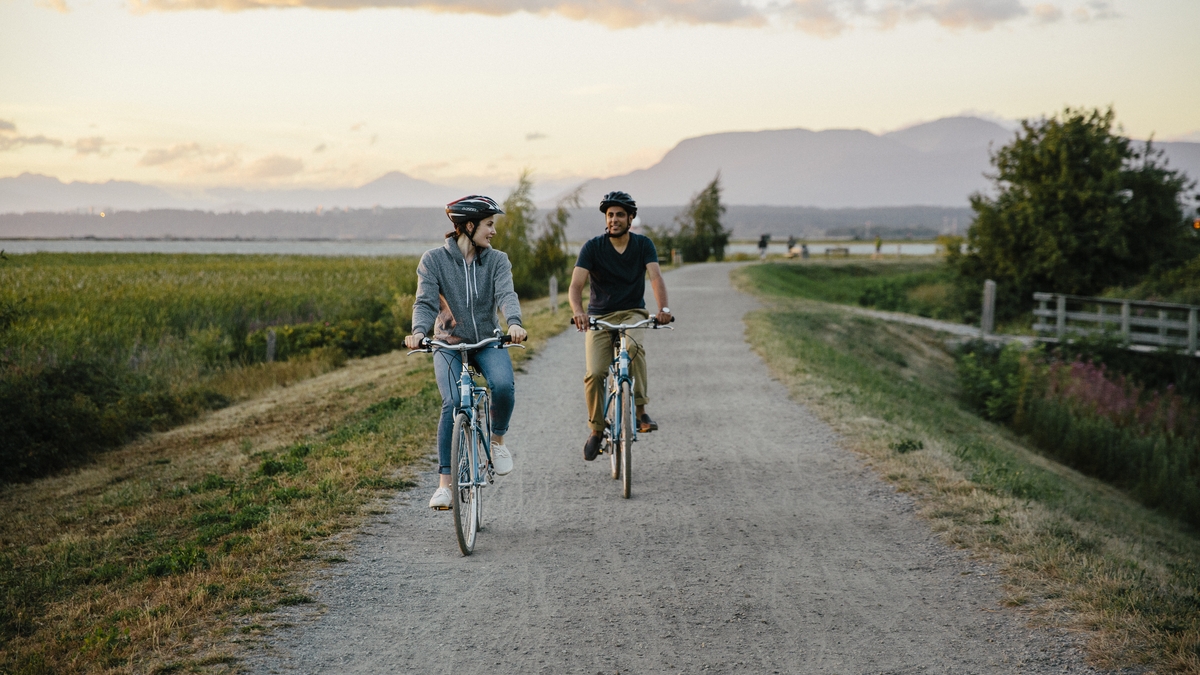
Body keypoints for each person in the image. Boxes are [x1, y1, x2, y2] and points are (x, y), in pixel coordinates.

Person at [404, 195, 527, 510]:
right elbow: (425, 302)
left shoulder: (497, 260)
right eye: (489, 224)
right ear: (468, 226)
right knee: (453, 402)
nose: (493, 232)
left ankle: (497, 442)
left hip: (486, 340)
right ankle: (445, 484)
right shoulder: (433, 261)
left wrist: (514, 323)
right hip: (447, 344)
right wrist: (418, 332)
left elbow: (506, 294)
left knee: (502, 385)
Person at [569, 191, 672, 462]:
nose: (614, 220)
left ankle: (640, 413)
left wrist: (663, 310)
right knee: (595, 372)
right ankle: (596, 430)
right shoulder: (592, 247)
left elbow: (656, 277)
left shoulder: (643, 245)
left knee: (633, 348)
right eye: (610, 215)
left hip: (632, 313)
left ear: (630, 219)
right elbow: (576, 286)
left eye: (620, 215)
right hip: (599, 317)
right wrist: (579, 312)